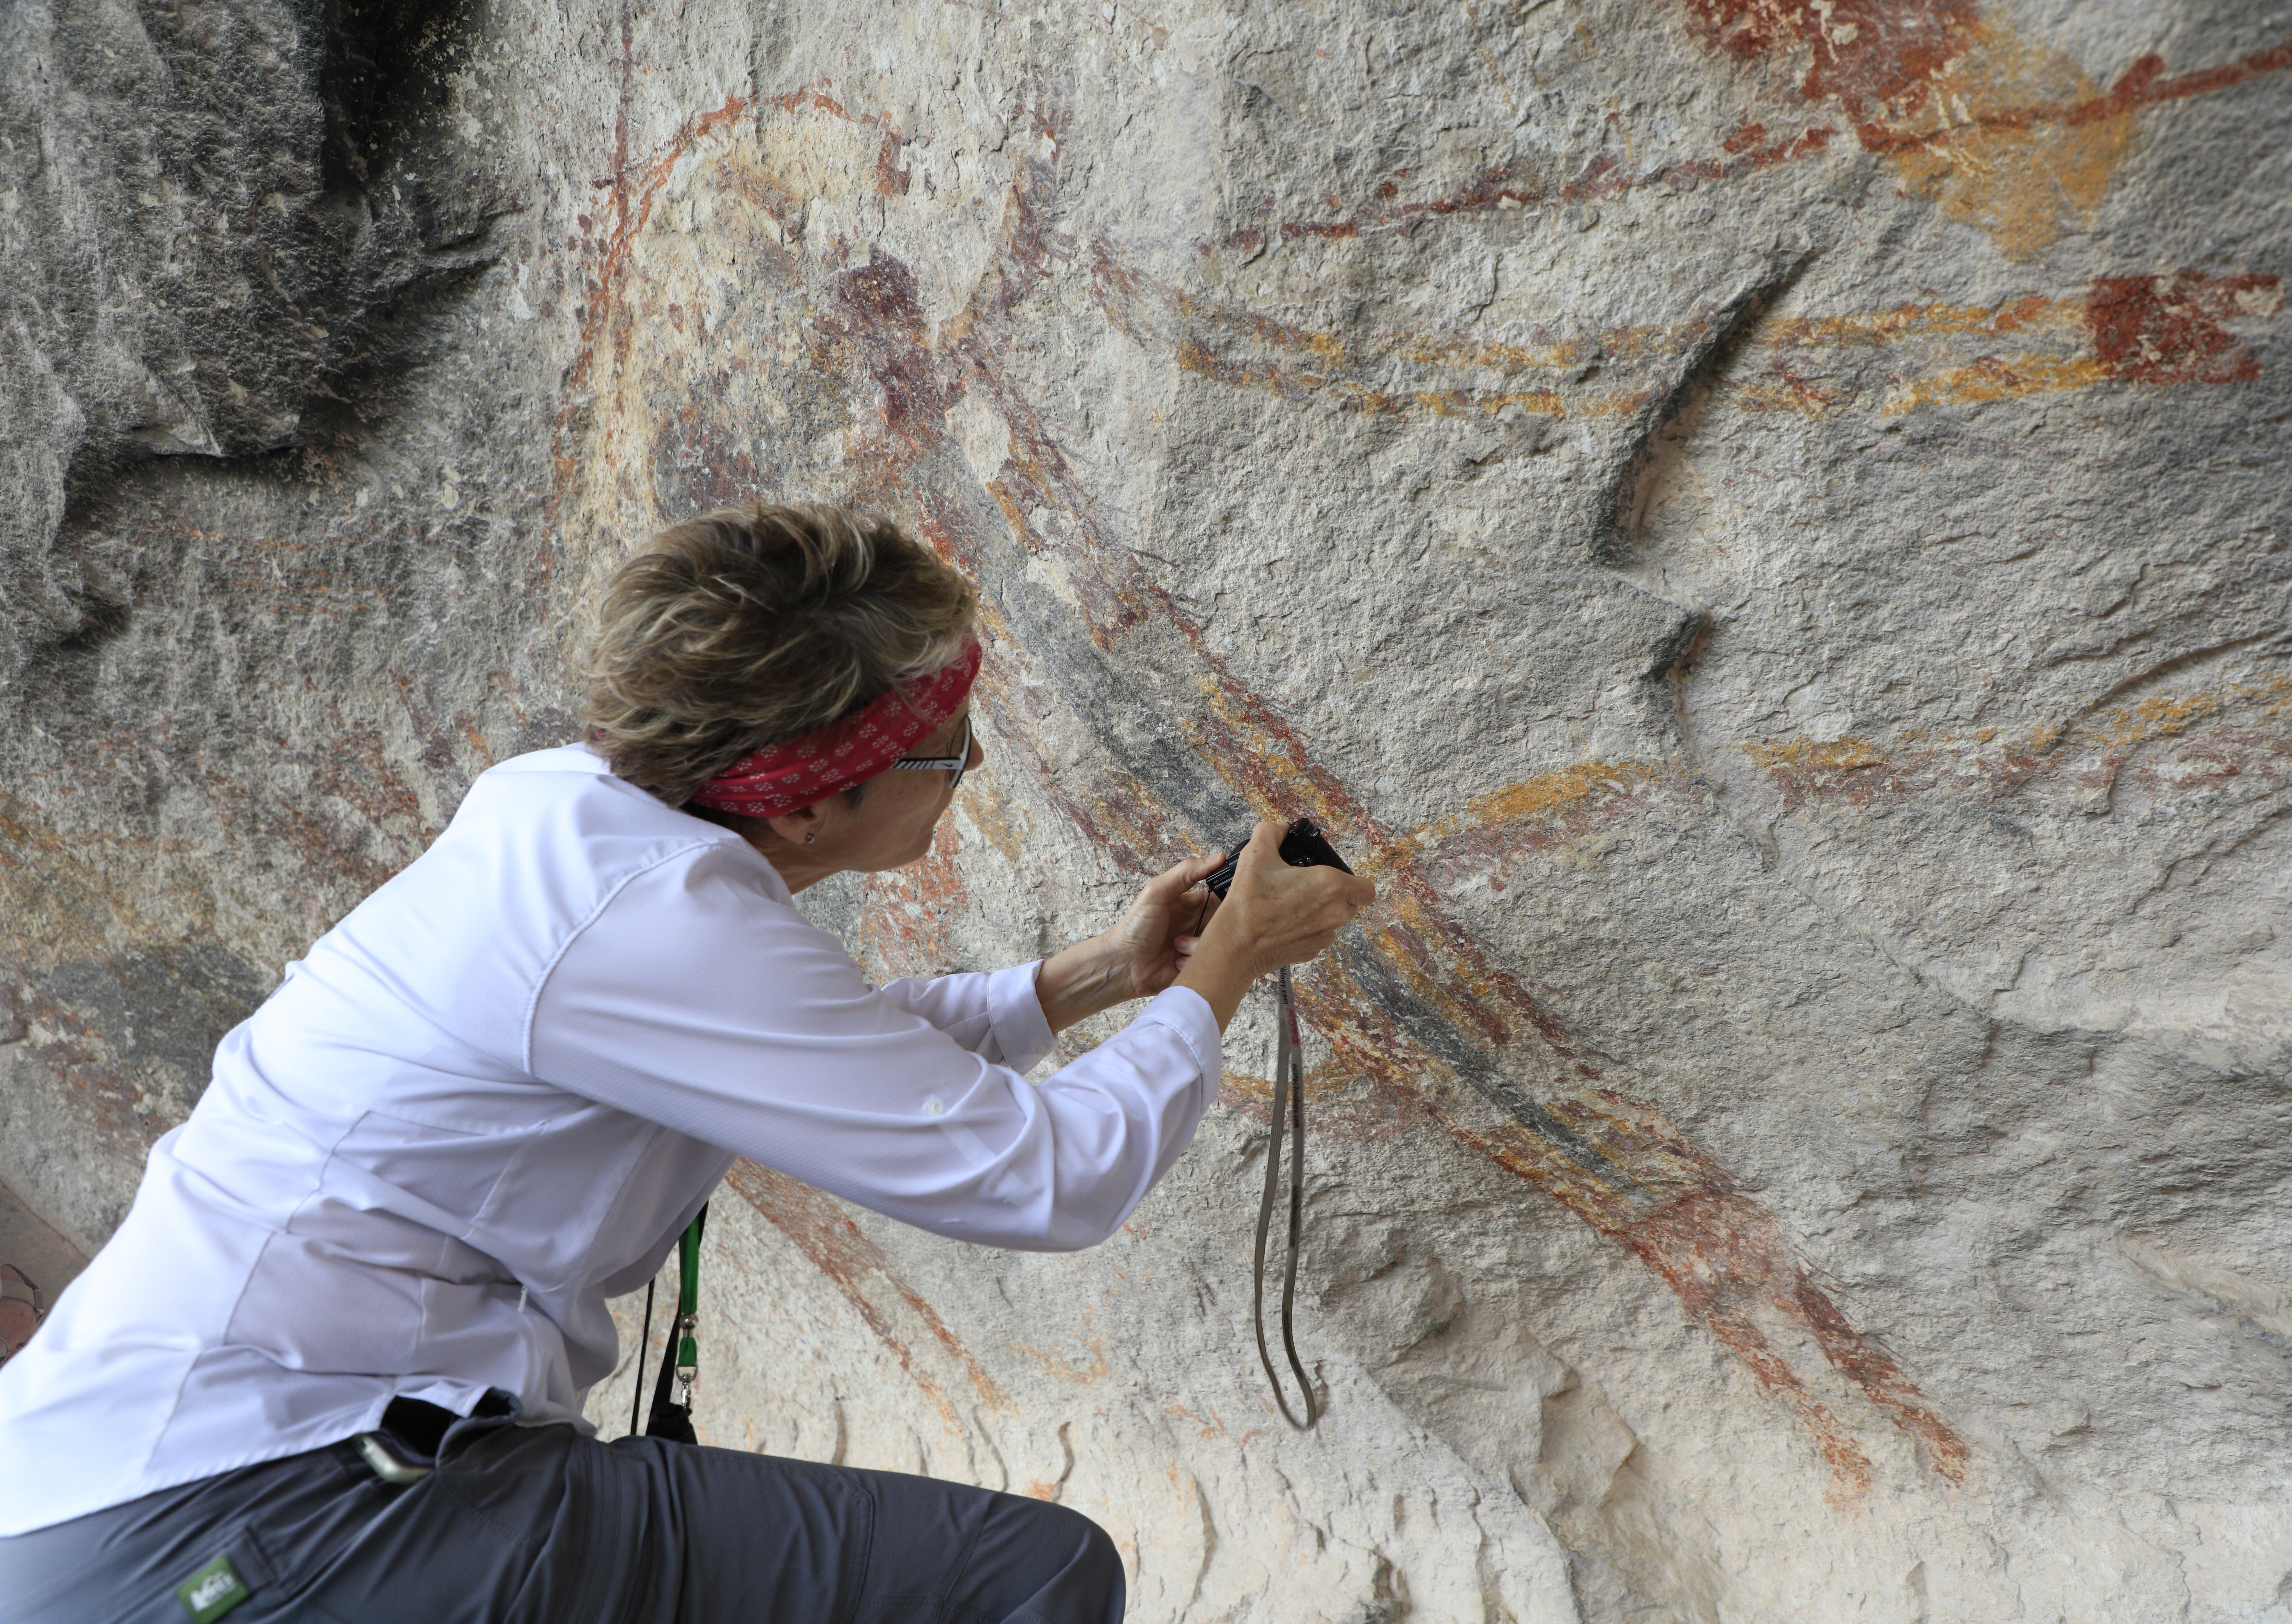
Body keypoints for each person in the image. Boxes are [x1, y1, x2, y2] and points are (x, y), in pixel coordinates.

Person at [0, 502, 1375, 1623]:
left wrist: (1093, 978)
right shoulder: (644, 919)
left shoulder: (573, 814)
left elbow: (803, 1046)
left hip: (141, 1496)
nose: (973, 764)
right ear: (823, 786)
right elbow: (1050, 1179)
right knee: (1029, 1580)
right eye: (946, 745)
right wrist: (1228, 968)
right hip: (274, 1508)